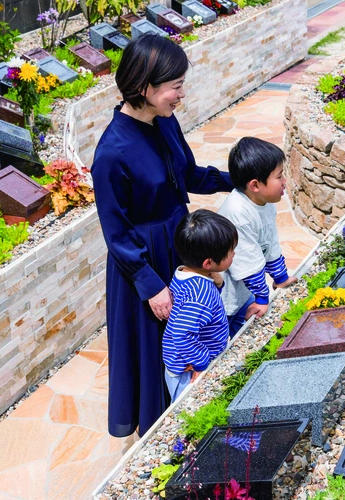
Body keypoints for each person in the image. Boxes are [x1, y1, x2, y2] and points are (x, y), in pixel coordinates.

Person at [91, 34, 233, 438]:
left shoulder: (165, 122)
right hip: (142, 262)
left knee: (190, 334)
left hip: (178, 243)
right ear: (144, 88)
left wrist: (235, 180)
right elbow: (115, 232)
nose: (181, 95)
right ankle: (162, 435)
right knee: (154, 348)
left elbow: (186, 175)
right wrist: (151, 286)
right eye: (175, 86)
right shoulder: (111, 154)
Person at [218, 137, 298, 337]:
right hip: (225, 299)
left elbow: (270, 241)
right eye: (279, 176)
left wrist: (280, 277)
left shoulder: (265, 201)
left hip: (244, 291)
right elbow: (247, 260)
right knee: (225, 343)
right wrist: (262, 298)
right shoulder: (238, 213)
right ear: (255, 185)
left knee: (245, 330)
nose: (284, 181)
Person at [162, 210, 237, 400]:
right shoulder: (199, 294)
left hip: (185, 362)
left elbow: (201, 313)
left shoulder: (184, 273)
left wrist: (217, 285)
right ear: (208, 263)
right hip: (188, 371)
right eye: (230, 252)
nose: (234, 254)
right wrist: (201, 363)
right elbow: (182, 332)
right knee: (187, 411)